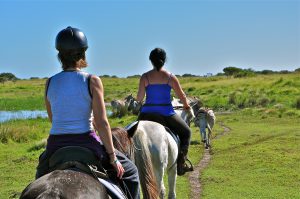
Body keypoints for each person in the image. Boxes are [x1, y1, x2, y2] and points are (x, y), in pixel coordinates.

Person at [36, 26, 140, 199]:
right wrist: (113, 157)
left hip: (55, 146)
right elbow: (102, 122)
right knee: (131, 173)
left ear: (59, 54)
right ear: (83, 53)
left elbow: (53, 119)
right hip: (86, 143)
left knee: (40, 177)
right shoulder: (92, 80)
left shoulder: (50, 82)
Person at [136, 47, 193, 176]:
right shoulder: (170, 77)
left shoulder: (145, 77)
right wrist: (186, 106)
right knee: (186, 132)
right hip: (166, 113)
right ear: (165, 60)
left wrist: (139, 98)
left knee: (130, 134)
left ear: (150, 60)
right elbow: (182, 95)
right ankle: (181, 164)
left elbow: (139, 98)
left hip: (146, 114)